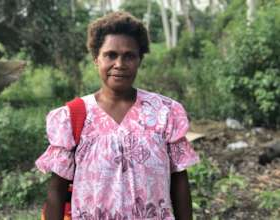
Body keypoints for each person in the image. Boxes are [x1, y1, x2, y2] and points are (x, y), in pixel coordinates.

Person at [36, 11, 199, 220]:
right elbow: (56, 192)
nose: (119, 64)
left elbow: (179, 182)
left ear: (140, 59)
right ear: (96, 59)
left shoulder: (165, 113)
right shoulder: (72, 117)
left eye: (129, 55)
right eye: (110, 55)